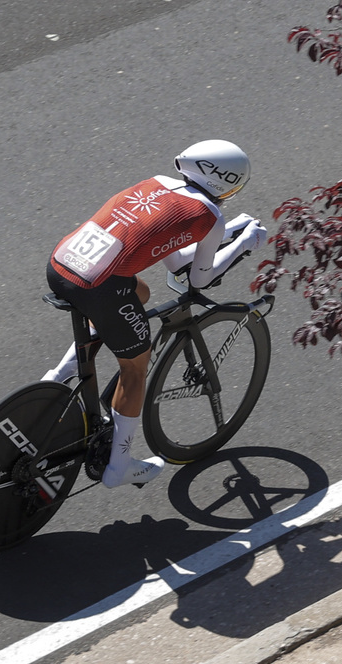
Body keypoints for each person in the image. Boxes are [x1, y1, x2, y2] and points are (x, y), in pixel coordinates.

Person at [43, 140, 267, 488]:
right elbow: (199, 278)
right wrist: (242, 243)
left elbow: (174, 255)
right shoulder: (209, 216)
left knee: (141, 292)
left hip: (62, 264)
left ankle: (59, 375)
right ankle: (118, 467)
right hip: (100, 287)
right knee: (134, 370)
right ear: (229, 185)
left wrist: (230, 229)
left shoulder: (154, 183)